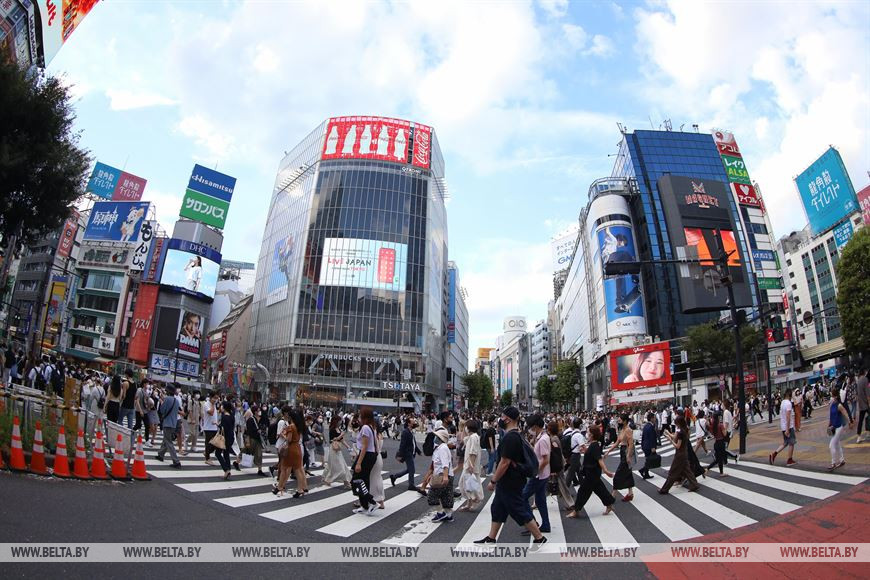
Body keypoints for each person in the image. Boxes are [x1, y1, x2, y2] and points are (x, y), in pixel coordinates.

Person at [473, 407, 547, 546]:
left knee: (518, 509)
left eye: (502, 416)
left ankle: (539, 537)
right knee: (497, 507)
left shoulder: (511, 437)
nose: (500, 419)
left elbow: (504, 462)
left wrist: (494, 480)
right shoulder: (514, 435)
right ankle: (491, 537)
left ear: (508, 419)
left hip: (510, 480)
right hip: (510, 479)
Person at [566, 425, 615, 518]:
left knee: (582, 492)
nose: (587, 434)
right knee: (600, 489)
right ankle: (609, 504)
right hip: (592, 472)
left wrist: (606, 470)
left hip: (591, 473)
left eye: (588, 433)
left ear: (592, 435)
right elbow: (593, 455)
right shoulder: (593, 445)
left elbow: (599, 459)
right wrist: (585, 451)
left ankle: (576, 511)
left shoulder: (595, 446)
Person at [520, 414, 551, 533]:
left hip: (538, 475)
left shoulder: (543, 439)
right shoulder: (543, 437)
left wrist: (536, 470)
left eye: (531, 427)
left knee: (522, 498)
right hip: (543, 474)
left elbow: (545, 459)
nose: (529, 429)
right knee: (540, 500)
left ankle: (532, 523)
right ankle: (545, 525)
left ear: (536, 426)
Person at [659, 416, 699, 494]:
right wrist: (669, 436)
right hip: (684, 453)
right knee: (687, 471)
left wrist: (671, 441)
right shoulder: (686, 430)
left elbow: (677, 446)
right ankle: (694, 485)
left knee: (672, 472)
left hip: (679, 455)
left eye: (676, 423)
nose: (675, 424)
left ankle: (664, 489)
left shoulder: (681, 432)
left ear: (679, 423)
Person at [351, 406, 379, 515]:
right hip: (371, 455)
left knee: (356, 480)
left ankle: (372, 502)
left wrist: (358, 463)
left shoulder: (365, 428)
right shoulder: (372, 427)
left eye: (361, 415)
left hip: (366, 455)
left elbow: (364, 447)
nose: (359, 417)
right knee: (364, 480)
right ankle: (364, 505)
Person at [605, 413, 635, 502]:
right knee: (627, 472)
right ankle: (630, 493)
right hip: (622, 451)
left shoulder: (628, 430)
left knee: (618, 474)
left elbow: (631, 444)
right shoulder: (622, 429)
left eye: (620, 420)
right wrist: (608, 451)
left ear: (625, 421)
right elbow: (617, 443)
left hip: (626, 452)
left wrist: (628, 456)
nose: (618, 421)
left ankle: (613, 495)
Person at [428, 428, 456, 523]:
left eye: (436, 436)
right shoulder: (441, 447)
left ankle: (441, 513)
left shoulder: (442, 448)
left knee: (432, 495)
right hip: (447, 475)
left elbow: (445, 464)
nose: (435, 438)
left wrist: (444, 476)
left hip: (443, 475)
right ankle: (448, 515)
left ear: (440, 438)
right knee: (446, 495)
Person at [458, 419, 483, 512]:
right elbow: (463, 440)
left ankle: (476, 500)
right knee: (467, 485)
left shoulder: (473, 437)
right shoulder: (472, 436)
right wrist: (462, 428)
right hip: (469, 464)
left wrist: (471, 465)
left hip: (470, 465)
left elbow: (473, 452)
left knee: (468, 485)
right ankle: (470, 503)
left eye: (466, 427)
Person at [155, 385, 182, 468]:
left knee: (168, 441)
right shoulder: (176, 401)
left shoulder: (167, 399)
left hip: (167, 423)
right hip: (174, 423)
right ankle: (160, 454)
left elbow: (162, 410)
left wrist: (162, 402)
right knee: (166, 439)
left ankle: (176, 461)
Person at [390, 416, 420, 491]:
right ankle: (411, 485)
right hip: (407, 453)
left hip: (411, 453)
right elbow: (402, 444)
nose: (414, 423)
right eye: (413, 422)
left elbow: (413, 443)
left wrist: (418, 450)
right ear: (409, 423)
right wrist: (400, 454)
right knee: (412, 470)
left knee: (409, 469)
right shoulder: (405, 432)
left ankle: (394, 477)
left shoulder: (411, 431)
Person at [770, 388, 797, 467]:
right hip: (788, 426)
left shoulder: (782, 402)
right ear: (789, 394)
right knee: (791, 443)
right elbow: (788, 417)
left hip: (783, 426)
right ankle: (789, 460)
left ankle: (774, 454)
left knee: (785, 443)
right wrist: (788, 429)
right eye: (792, 394)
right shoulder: (788, 403)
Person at [323, 415, 352, 488]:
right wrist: (341, 435)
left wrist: (348, 447)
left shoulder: (338, 428)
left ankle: (345, 482)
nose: (340, 422)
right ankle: (345, 483)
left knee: (341, 466)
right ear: (336, 421)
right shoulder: (332, 429)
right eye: (339, 420)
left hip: (338, 449)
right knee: (339, 467)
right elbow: (332, 440)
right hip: (333, 449)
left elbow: (342, 439)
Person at [828, 388, 853, 471]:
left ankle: (833, 463)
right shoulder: (832, 404)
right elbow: (831, 416)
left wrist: (850, 422)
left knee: (831, 445)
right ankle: (842, 460)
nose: (830, 397)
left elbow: (845, 413)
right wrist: (829, 424)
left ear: (835, 396)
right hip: (834, 427)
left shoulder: (839, 405)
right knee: (837, 444)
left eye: (831, 395)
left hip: (839, 427)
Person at [243, 404, 267, 477]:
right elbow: (249, 430)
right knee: (246, 451)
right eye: (258, 410)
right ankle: (237, 462)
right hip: (252, 439)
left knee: (259, 455)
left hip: (256, 439)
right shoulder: (251, 419)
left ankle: (260, 470)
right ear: (255, 412)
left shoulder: (256, 419)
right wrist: (257, 431)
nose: (260, 412)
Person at [705, 412, 729, 477]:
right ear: (718, 418)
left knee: (719, 459)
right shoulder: (720, 425)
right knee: (719, 459)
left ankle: (718, 472)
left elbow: (711, 432)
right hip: (721, 443)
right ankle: (708, 469)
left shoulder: (712, 426)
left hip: (716, 443)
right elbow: (724, 434)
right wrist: (726, 427)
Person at [202, 392, 220, 466]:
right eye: (215, 398)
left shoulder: (214, 405)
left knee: (215, 444)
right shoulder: (206, 404)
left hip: (214, 427)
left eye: (217, 398)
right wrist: (212, 404)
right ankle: (207, 458)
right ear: (211, 397)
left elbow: (215, 414)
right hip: (208, 427)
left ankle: (207, 452)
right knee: (208, 443)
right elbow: (211, 413)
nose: (216, 399)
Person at [638, 411, 657, 479]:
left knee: (648, 460)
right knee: (649, 460)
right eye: (654, 418)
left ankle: (646, 473)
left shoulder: (646, 426)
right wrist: (653, 447)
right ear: (651, 418)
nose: (655, 419)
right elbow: (651, 438)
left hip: (645, 446)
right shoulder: (651, 427)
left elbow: (643, 437)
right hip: (649, 446)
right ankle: (642, 470)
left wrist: (642, 445)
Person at [856, 369, 869, 443]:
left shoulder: (858, 381)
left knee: (860, 421)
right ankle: (867, 432)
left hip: (861, 404)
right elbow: (867, 392)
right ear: (864, 372)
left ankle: (859, 437)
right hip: (866, 404)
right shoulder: (865, 379)